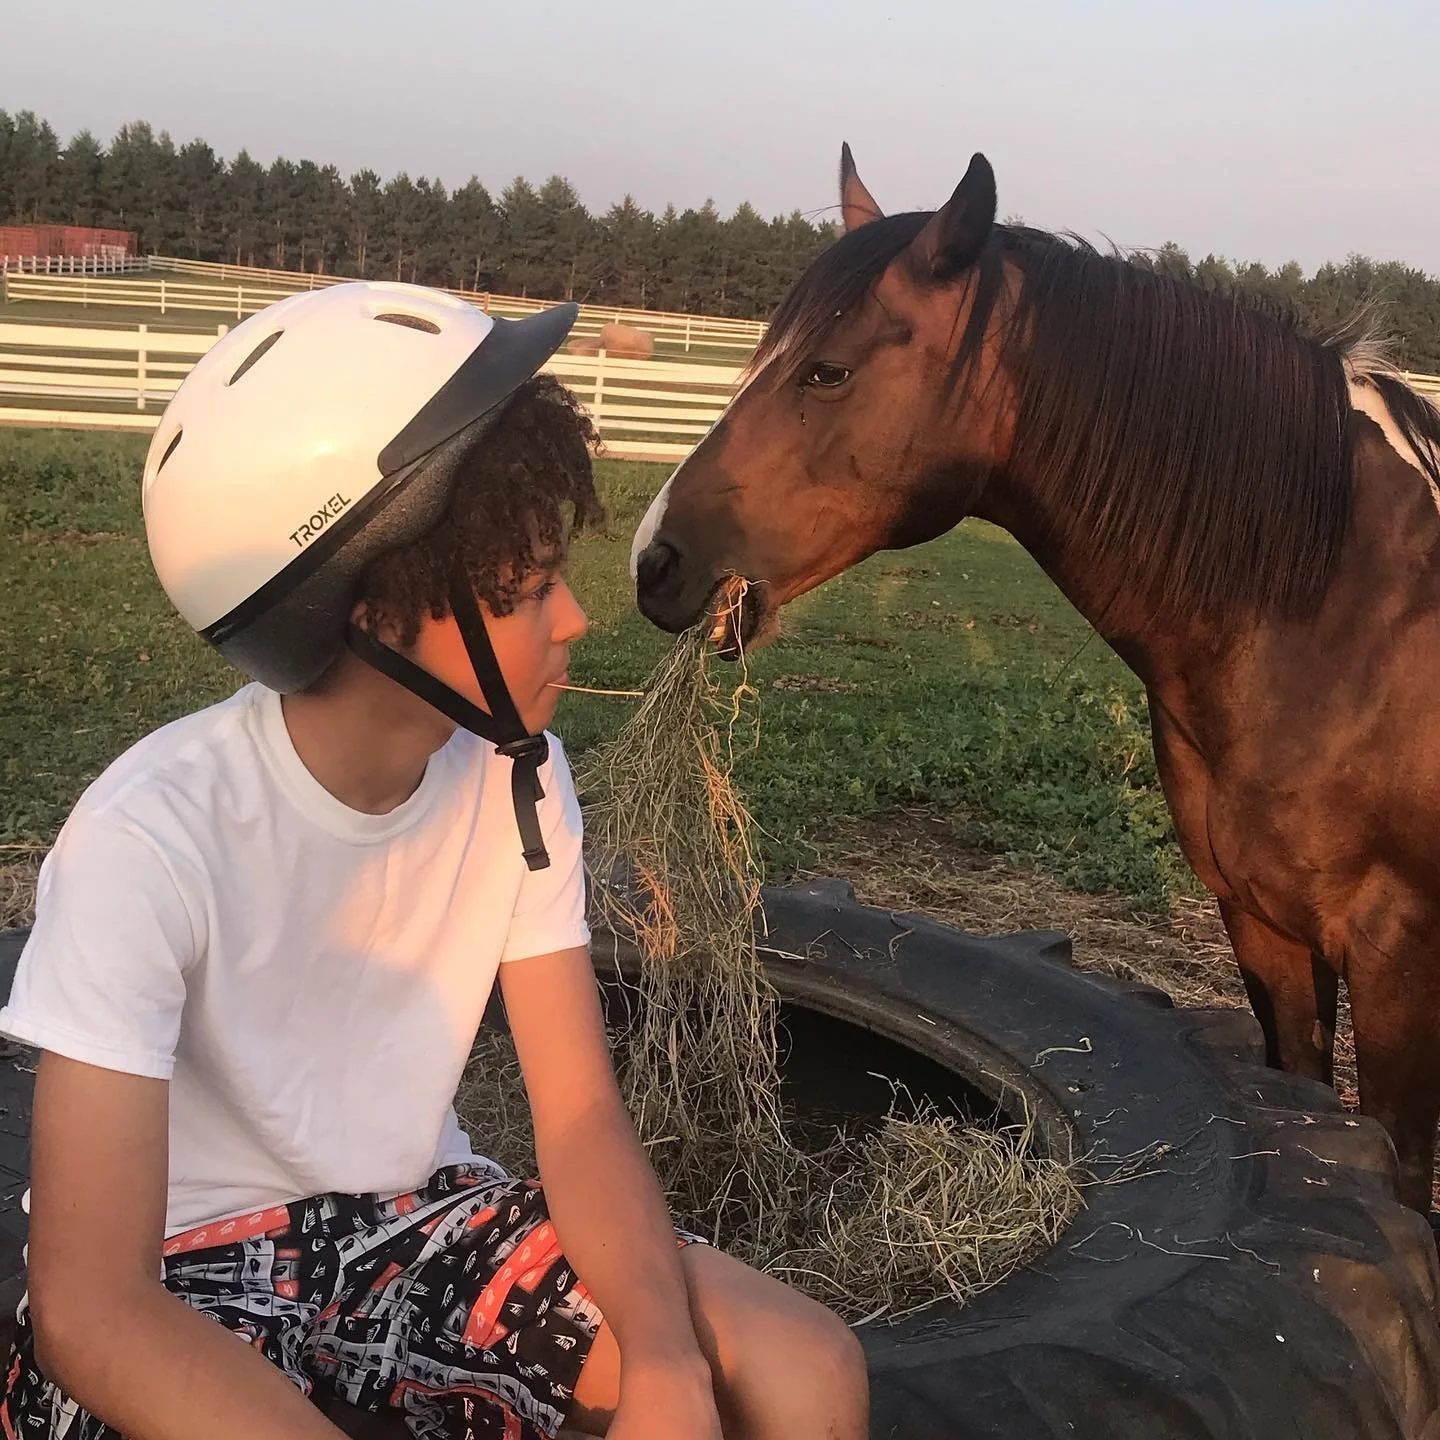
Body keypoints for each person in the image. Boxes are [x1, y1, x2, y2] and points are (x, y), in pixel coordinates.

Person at [0, 282, 869, 1440]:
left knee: (803, 1372)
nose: (574, 620)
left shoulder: (521, 778)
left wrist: (666, 1364)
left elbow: (576, 1121)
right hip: (184, 1276)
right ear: (367, 614)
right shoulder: (149, 835)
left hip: (418, 1234)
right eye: (524, 591)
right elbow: (89, 1306)